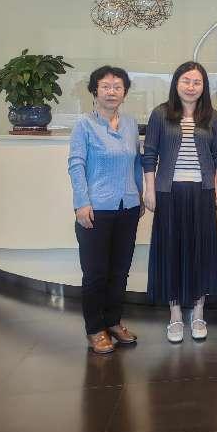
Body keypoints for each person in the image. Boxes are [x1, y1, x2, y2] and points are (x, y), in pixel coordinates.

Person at [143, 61, 217, 343]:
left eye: (197, 82)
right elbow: (149, 155)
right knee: (172, 252)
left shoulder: (211, 116)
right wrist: (150, 190)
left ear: (204, 86)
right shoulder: (160, 114)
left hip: (202, 192)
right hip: (169, 192)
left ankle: (198, 312)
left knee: (201, 251)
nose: (191, 87)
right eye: (186, 81)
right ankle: (176, 315)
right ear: (176, 83)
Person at [68, 66, 143, 354]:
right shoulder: (84, 125)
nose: (112, 92)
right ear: (94, 90)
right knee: (95, 273)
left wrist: (139, 194)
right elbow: (76, 165)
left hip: (128, 206)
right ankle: (95, 328)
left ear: (125, 92)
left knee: (120, 271)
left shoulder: (130, 124)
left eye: (117, 87)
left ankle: (113, 321)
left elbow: (136, 163)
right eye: (106, 86)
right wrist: (81, 202)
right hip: (95, 209)